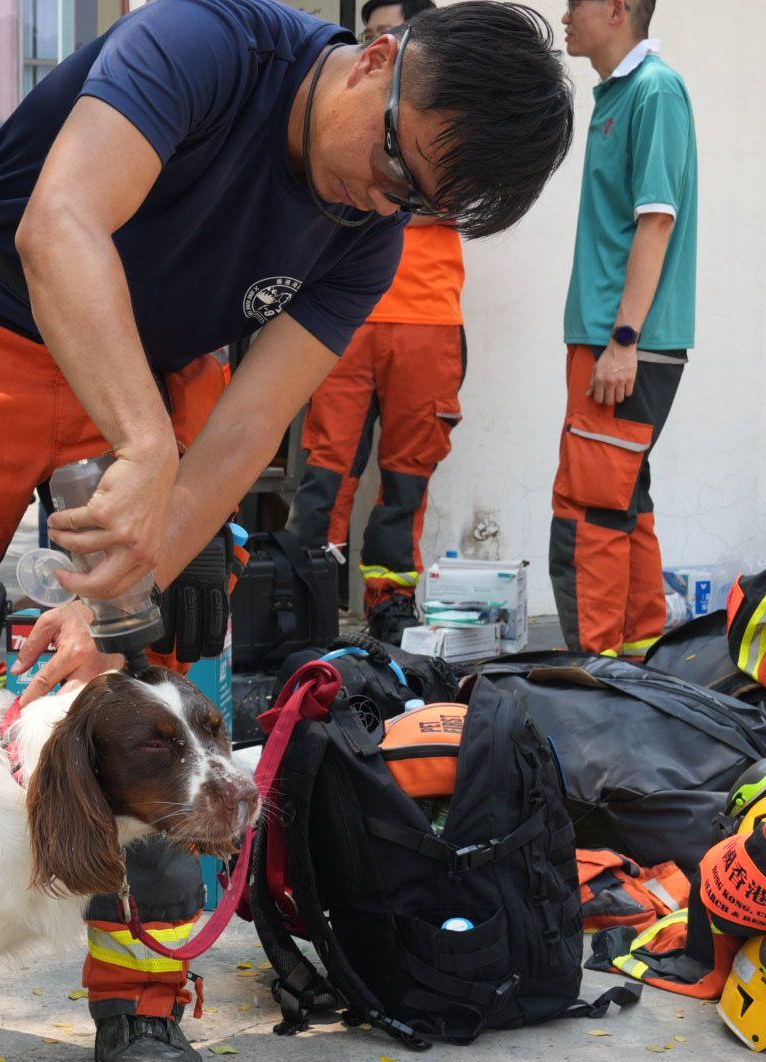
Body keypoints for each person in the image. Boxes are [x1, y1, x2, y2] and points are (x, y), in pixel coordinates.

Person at [0, 1, 575, 1062]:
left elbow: (243, 433)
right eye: (396, 167)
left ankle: (140, 998)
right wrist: (141, 445)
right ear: (375, 62)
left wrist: (105, 593)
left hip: (160, 377)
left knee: (158, 693)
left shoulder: (364, 241)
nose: (384, 202)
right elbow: (58, 227)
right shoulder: (204, 45)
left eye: (422, 204)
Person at [287, 0, 466, 645]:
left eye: (390, 32)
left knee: (407, 477)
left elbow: (450, 197)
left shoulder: (449, 107)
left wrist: (377, 192)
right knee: (325, 470)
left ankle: (389, 611)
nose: (377, 46)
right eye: (371, 36)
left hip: (427, 322)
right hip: (346, 315)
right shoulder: (351, 105)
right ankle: (303, 606)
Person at [551, 0, 697, 657]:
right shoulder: (618, 94)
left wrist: (625, 340)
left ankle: (595, 680)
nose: (563, 15)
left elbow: (657, 219)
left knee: (589, 511)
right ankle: (639, 664)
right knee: (623, 505)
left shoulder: (655, 91)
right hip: (609, 339)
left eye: (574, 3)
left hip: (625, 344)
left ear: (614, 9)